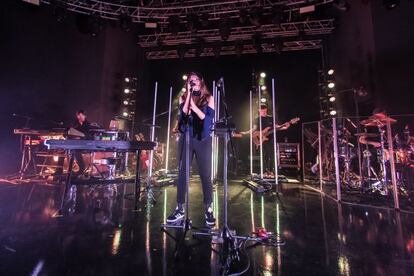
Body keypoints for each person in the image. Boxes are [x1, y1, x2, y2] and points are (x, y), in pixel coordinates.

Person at [166, 72, 216, 226]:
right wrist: (188, 95)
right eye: (190, 80)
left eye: (195, 79)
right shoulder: (183, 98)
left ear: (200, 82)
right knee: (182, 174)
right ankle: (180, 208)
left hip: (203, 139)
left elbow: (205, 118)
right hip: (186, 138)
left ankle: (208, 209)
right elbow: (184, 113)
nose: (192, 81)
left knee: (205, 174)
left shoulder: (209, 98)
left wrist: (193, 104)